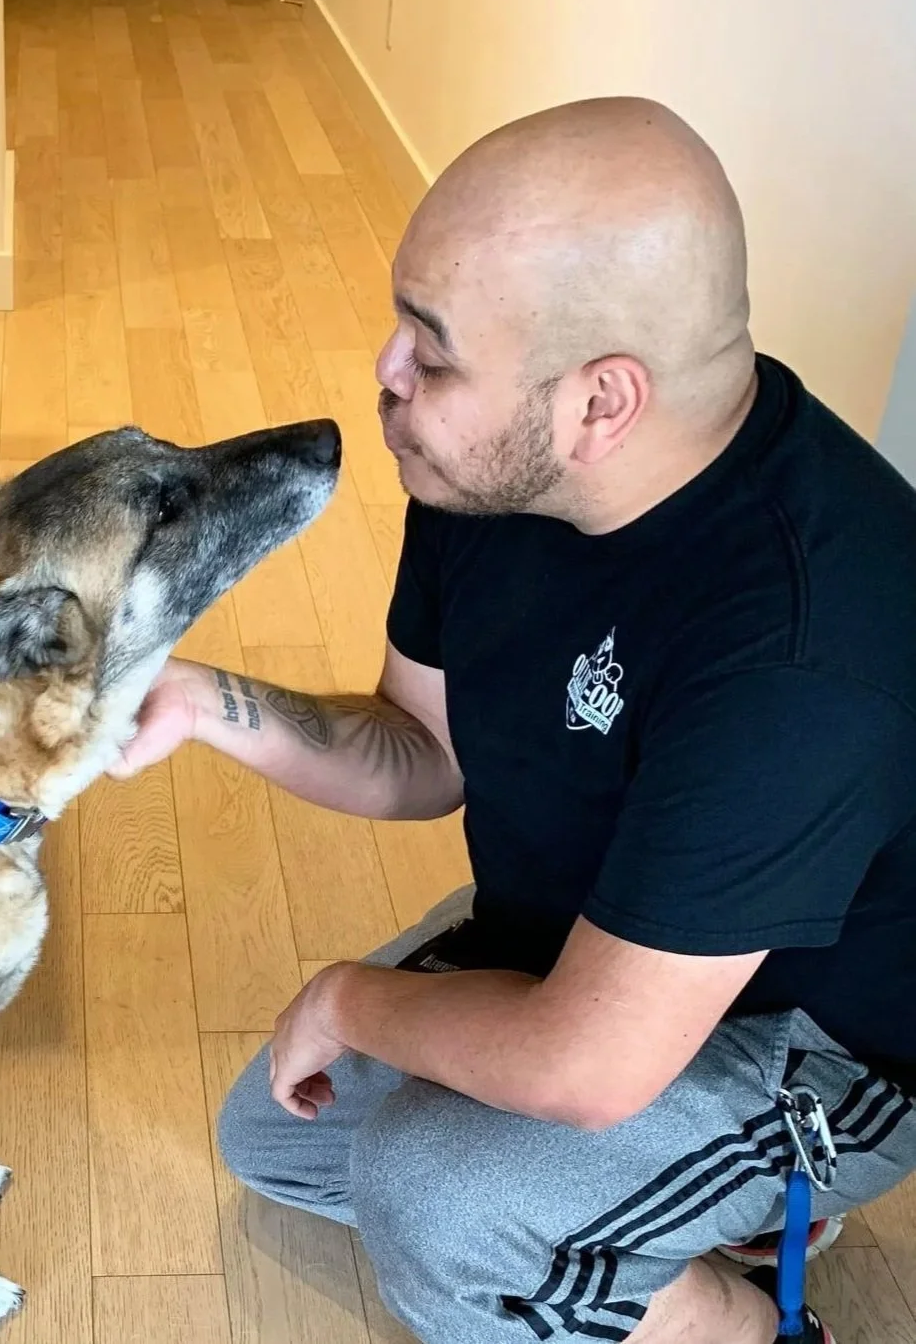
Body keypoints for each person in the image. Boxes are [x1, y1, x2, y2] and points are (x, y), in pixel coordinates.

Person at [109, 96, 916, 1344]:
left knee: (437, 1203)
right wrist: (205, 702)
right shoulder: (481, 465)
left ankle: (750, 1316)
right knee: (278, 1134)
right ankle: (667, 1211)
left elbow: (587, 1063)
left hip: (809, 1038)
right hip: (582, 940)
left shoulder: (799, 647)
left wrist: (349, 999)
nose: (387, 375)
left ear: (601, 403)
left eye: (432, 355)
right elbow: (422, 751)